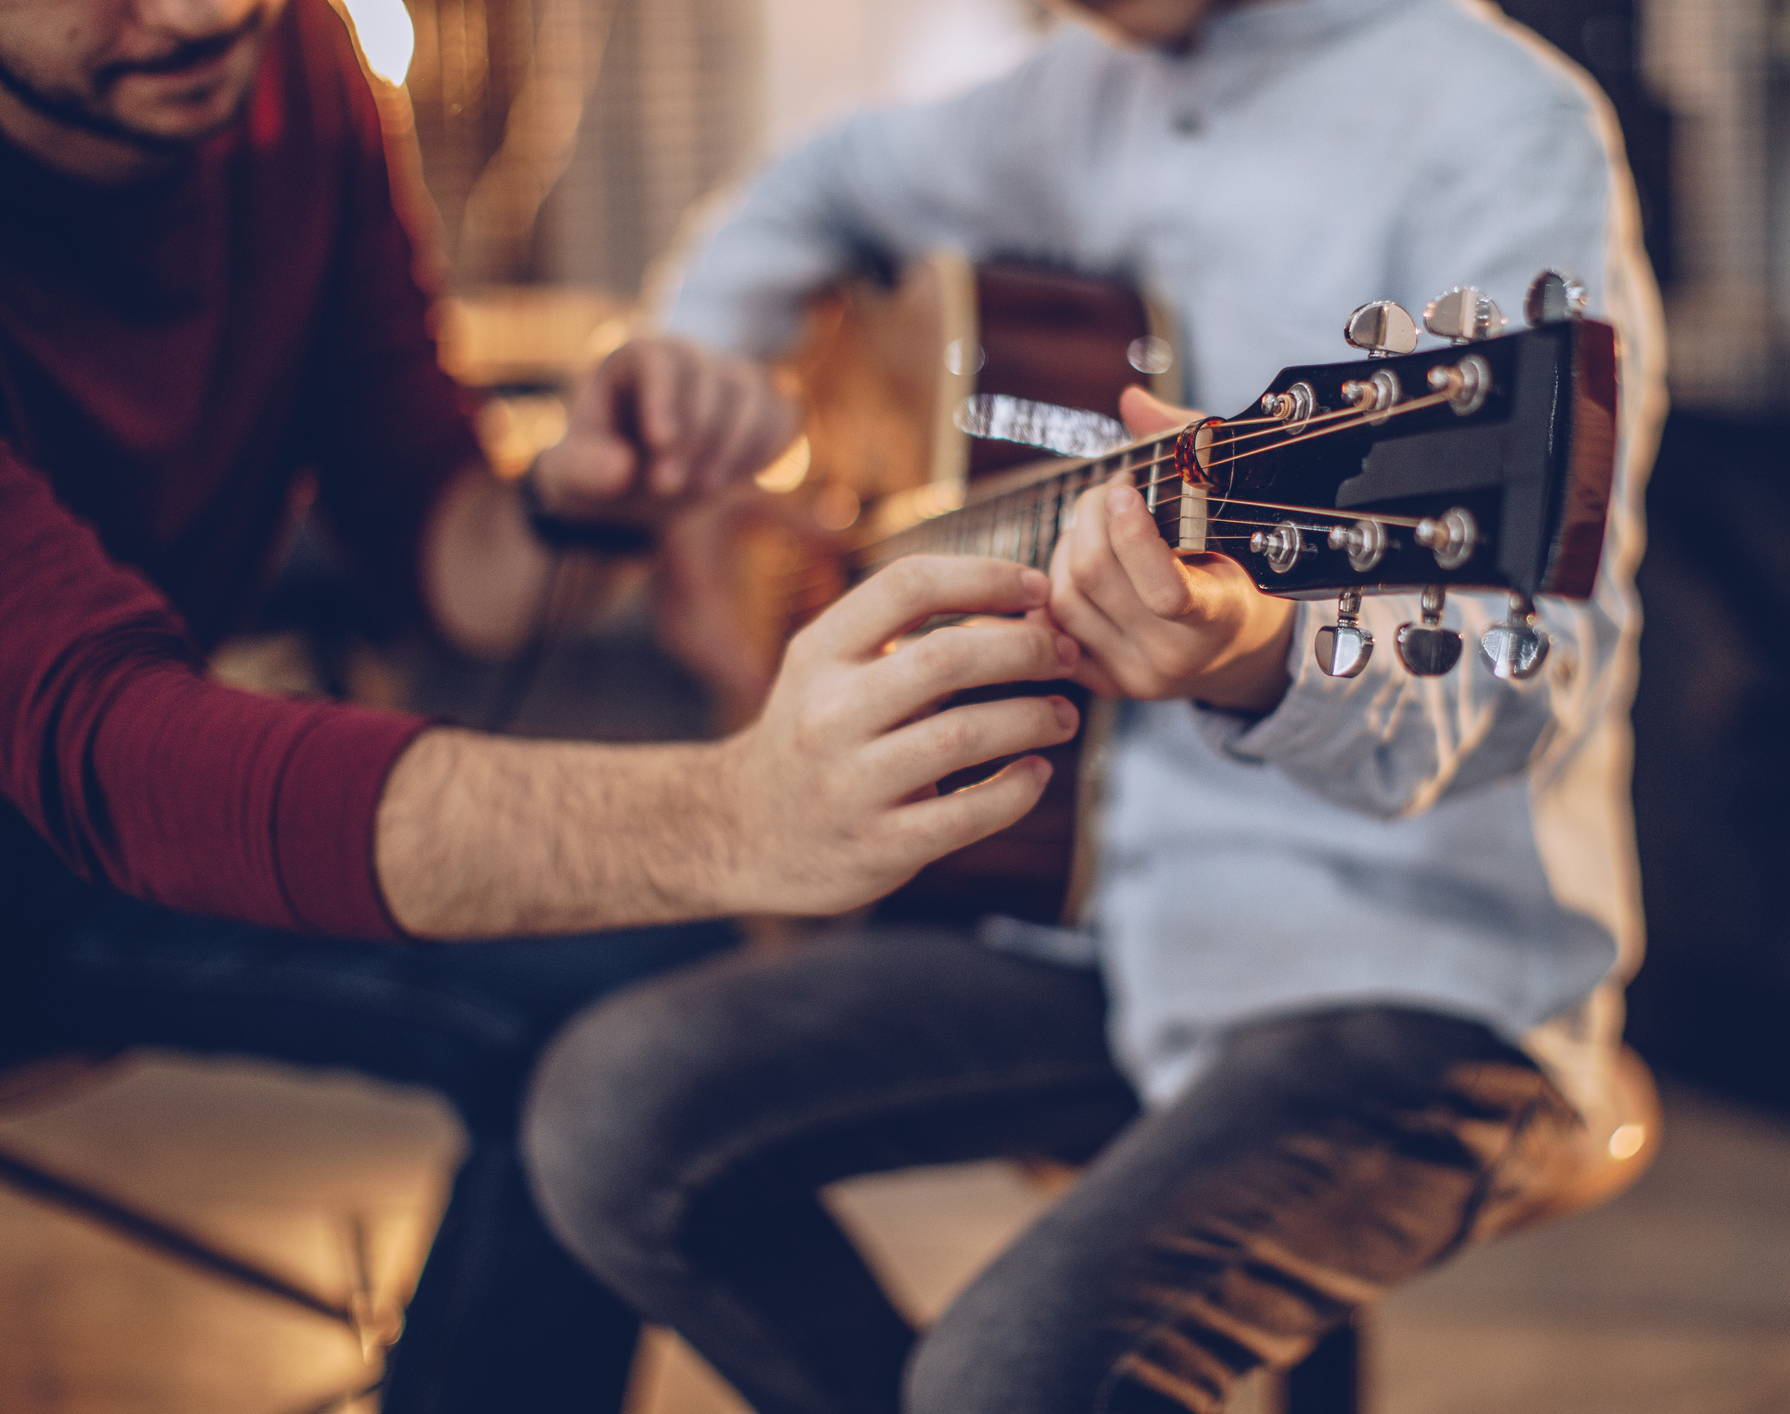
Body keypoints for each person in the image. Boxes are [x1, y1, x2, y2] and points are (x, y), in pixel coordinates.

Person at [522, 0, 1668, 1411]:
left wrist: (1257, 652)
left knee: (1008, 1379)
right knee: (611, 1111)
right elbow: (814, 183)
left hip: (1415, 978)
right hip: (1103, 925)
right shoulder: (1066, 97)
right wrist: (708, 353)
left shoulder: (1497, 121)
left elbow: (1520, 677)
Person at [0, 2, 1082, 1411]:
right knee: (634, 951)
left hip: (89, 808)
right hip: (55, 825)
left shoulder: (295, 59)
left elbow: (442, 544)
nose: (206, 11)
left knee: (634, 982)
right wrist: (735, 813)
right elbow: (111, 754)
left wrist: (586, 498)